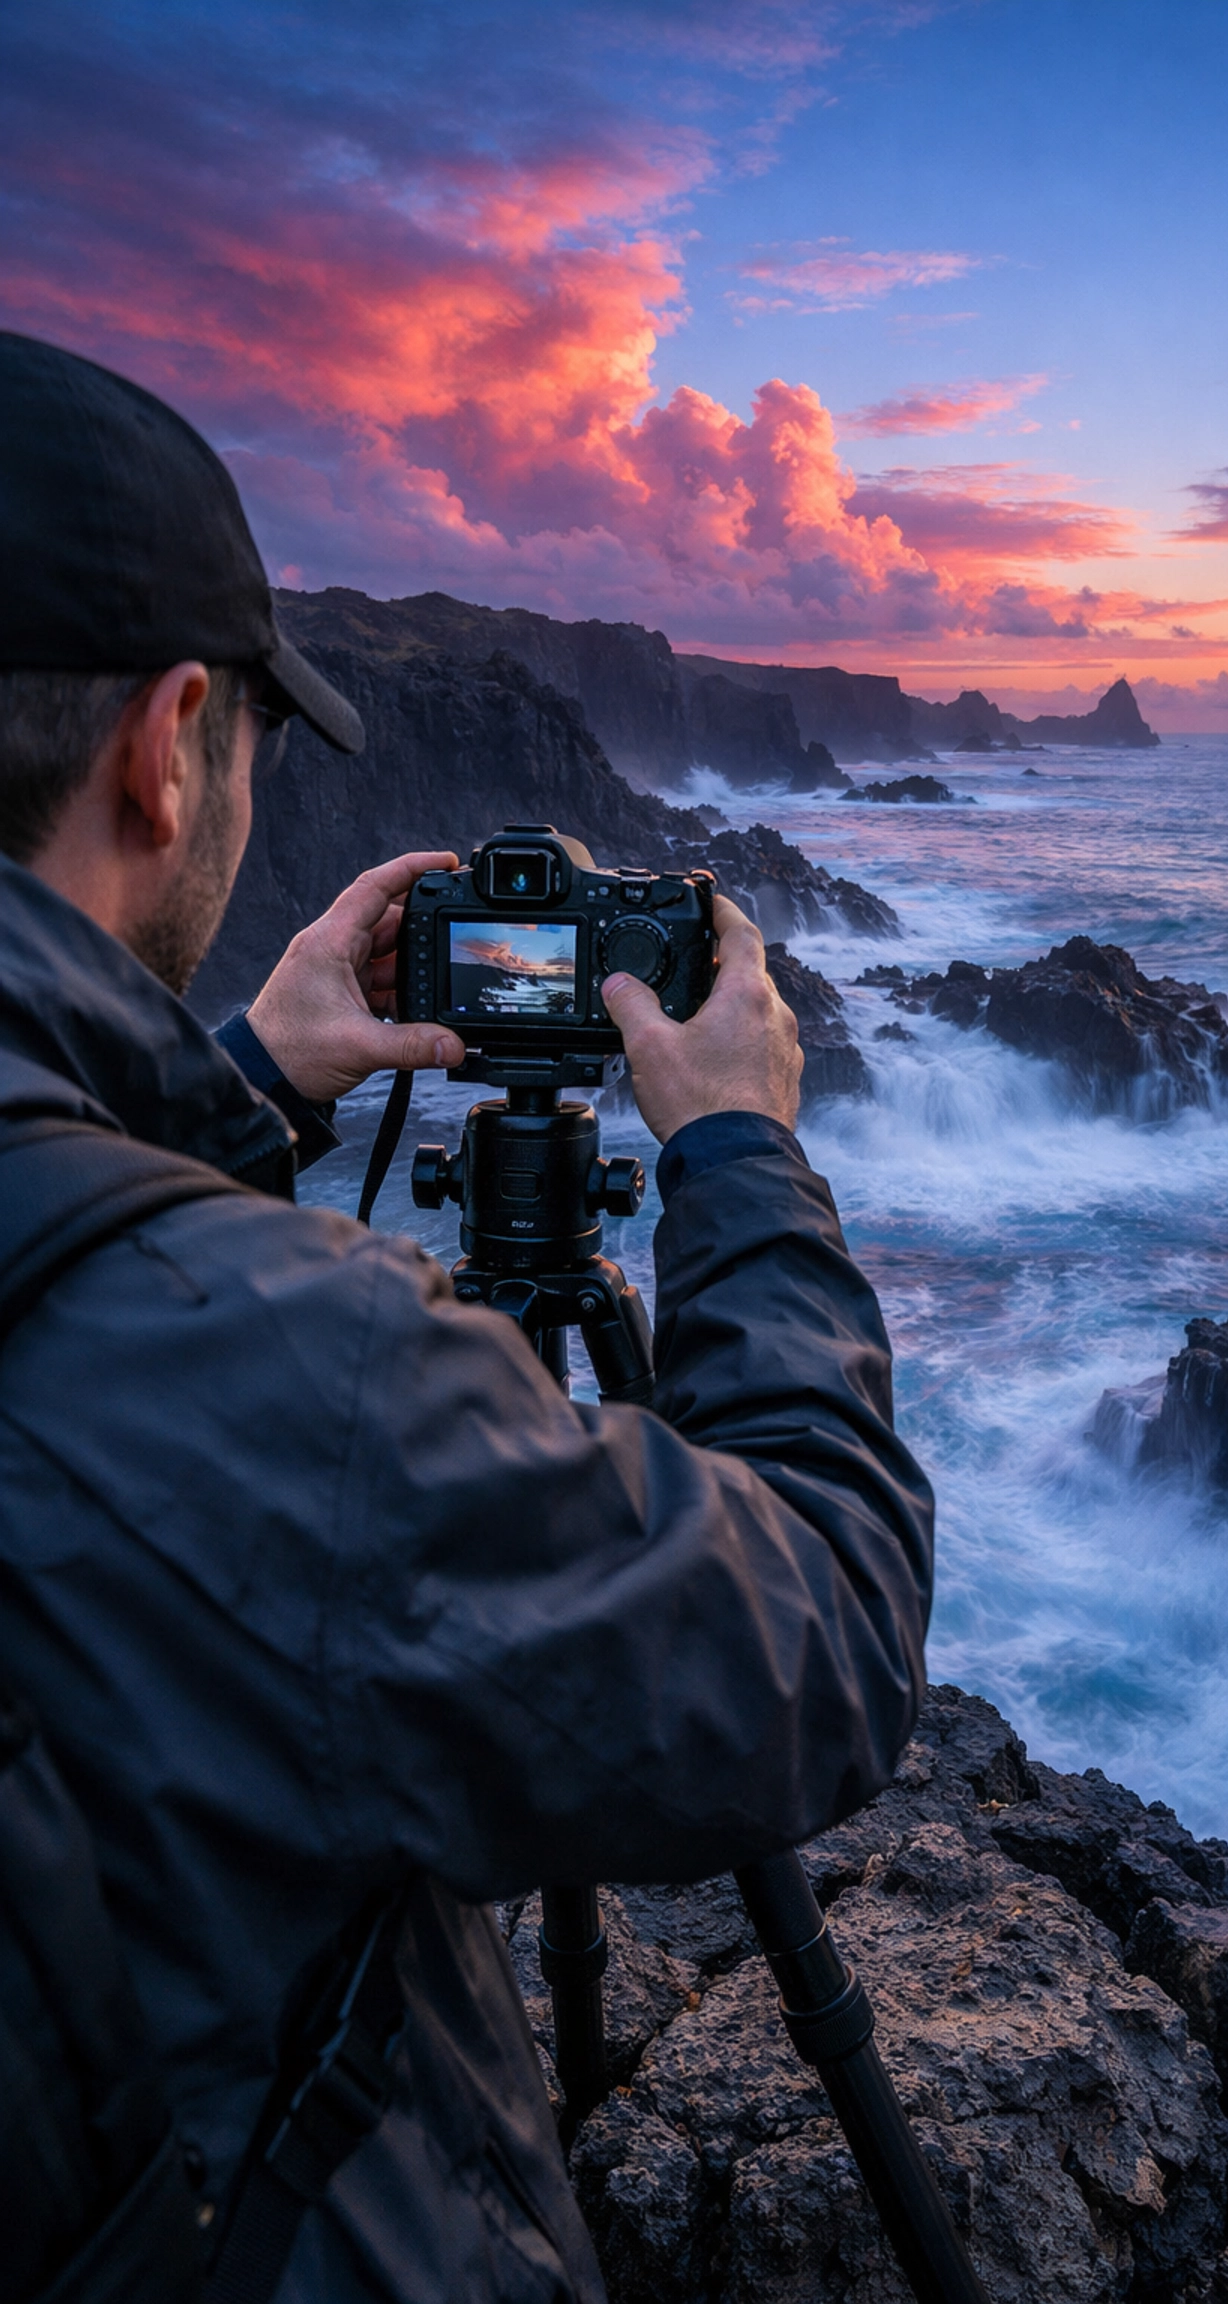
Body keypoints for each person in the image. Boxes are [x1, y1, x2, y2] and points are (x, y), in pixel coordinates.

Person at [0, 331, 933, 2300]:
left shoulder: (128, 1283)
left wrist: (237, 1091)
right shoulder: (299, 1378)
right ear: (169, 746)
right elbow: (825, 1643)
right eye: (254, 739)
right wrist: (743, 1166)